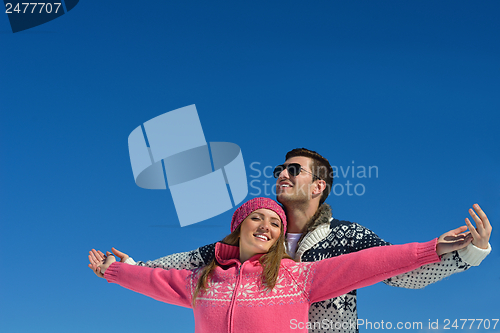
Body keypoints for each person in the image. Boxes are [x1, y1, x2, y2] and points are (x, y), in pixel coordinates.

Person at [89, 148, 492, 333]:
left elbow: (396, 271)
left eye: (293, 169)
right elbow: (185, 269)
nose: (282, 173)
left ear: (319, 185)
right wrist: (132, 268)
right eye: (280, 168)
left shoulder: (348, 236)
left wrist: (465, 253)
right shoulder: (249, 240)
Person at [91, 197, 476, 333]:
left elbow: (370, 263)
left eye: (276, 223)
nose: (267, 226)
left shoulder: (297, 277)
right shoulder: (201, 280)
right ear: (240, 225)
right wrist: (114, 269)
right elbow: (153, 278)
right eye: (258, 218)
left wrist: (431, 247)